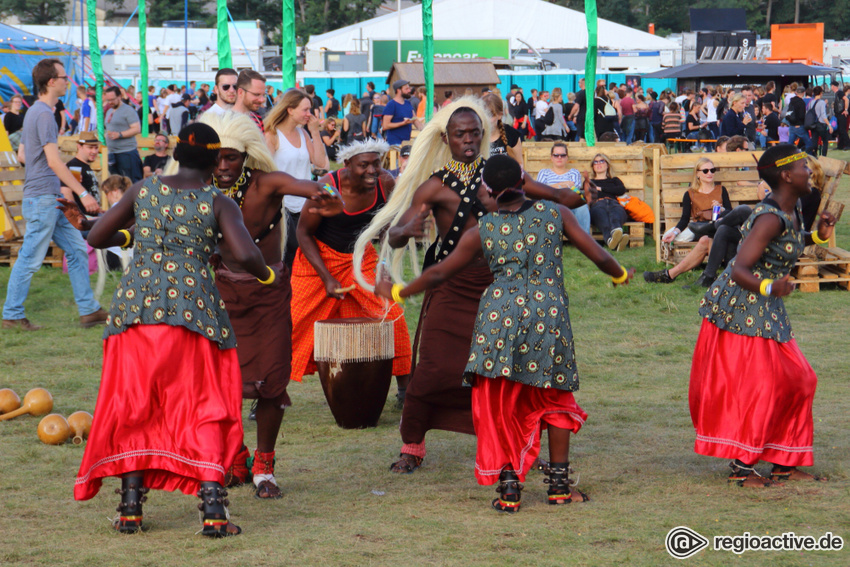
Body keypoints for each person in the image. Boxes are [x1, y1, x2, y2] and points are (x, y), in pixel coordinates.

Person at [373, 154, 633, 511]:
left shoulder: (483, 229)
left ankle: (509, 490)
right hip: (548, 315)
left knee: (502, 402)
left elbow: (438, 274)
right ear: (522, 184)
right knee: (555, 396)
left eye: (482, 186)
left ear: (492, 191)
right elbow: (599, 256)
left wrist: (398, 291)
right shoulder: (556, 215)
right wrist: (620, 275)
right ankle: (558, 487)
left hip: (498, 318)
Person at [351, 97, 587, 473]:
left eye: (475, 133)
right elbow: (395, 233)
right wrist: (403, 232)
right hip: (451, 287)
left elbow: (559, 198)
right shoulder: (434, 186)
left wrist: (574, 196)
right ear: (446, 138)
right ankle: (412, 445)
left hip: (501, 288)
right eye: (460, 134)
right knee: (432, 369)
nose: (468, 140)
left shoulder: (501, 175)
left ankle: (520, 444)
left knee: (510, 371)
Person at [72, 123, 273, 537]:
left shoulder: (143, 189)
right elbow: (246, 254)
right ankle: (213, 511)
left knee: (134, 404)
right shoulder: (217, 201)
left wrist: (135, 235)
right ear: (217, 162)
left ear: (177, 153)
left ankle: (130, 509)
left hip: (134, 312)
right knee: (204, 404)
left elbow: (96, 235)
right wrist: (268, 274)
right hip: (192, 314)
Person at [198, 111, 341, 499]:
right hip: (221, 296)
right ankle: (235, 457)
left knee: (272, 383)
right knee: (221, 386)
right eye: (217, 157)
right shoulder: (201, 187)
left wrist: (322, 192)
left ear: (247, 155)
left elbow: (300, 184)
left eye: (232, 157)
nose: (223, 166)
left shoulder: (266, 184)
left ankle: (264, 465)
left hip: (269, 295)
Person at [690, 144, 833, 488]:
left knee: (800, 380)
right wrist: (772, 288)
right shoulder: (768, 216)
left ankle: (785, 459)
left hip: (765, 305)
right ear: (786, 176)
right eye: (803, 166)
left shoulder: (792, 207)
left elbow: (790, 242)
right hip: (742, 305)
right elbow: (739, 268)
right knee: (761, 387)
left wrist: (818, 235)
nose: (810, 171)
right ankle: (744, 465)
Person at [291, 139, 411, 402]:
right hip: (319, 259)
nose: (371, 170)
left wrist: (384, 265)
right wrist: (327, 277)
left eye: (376, 164)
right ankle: (269, 392)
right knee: (293, 326)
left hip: (361, 256)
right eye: (363, 165)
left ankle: (405, 393)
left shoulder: (385, 183)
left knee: (392, 315)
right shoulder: (328, 186)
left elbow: (386, 228)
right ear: (347, 164)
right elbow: (303, 232)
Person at [3, 59, 106, 331]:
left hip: (47, 198)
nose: (66, 81)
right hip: (43, 199)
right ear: (51, 82)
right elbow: (53, 160)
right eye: (63, 77)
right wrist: (82, 192)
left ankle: (89, 310)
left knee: (76, 251)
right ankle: (12, 314)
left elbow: (24, 154)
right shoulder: (45, 114)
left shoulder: (34, 112)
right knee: (30, 258)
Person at [643, 158, 735, 286]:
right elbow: (684, 219)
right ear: (697, 174)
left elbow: (731, 213)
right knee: (703, 238)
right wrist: (674, 232)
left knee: (706, 239)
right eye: (705, 170)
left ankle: (671, 275)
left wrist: (722, 209)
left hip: (719, 226)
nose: (710, 173)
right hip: (701, 227)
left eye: (712, 170)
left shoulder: (721, 189)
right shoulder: (690, 194)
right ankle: (711, 276)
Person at [264, 90, 329, 267]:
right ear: (290, 110)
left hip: (305, 204)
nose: (310, 114)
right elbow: (264, 174)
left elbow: (321, 163)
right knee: (290, 254)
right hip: (282, 206)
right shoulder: (272, 136)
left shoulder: (303, 134)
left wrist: (315, 132)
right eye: (306, 110)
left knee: (302, 255)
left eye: (311, 110)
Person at [536, 142, 591, 233]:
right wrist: (565, 184)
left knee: (582, 206)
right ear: (551, 157)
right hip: (550, 204)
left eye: (562, 155)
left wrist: (551, 188)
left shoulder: (573, 172)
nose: (559, 157)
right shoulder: (544, 173)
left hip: (570, 204)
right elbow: (540, 191)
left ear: (567, 158)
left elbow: (574, 190)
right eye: (556, 155)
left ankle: (585, 239)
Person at [587, 153, 629, 250]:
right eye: (595, 162)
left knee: (615, 214)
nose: (598, 164)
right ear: (593, 167)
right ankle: (617, 239)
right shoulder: (589, 182)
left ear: (607, 165)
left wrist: (600, 189)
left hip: (614, 204)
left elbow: (621, 190)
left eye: (602, 161)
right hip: (597, 205)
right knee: (602, 216)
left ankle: (611, 240)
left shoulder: (614, 180)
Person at [103, 86, 143, 182]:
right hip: (112, 153)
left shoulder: (128, 110)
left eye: (112, 99)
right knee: (118, 185)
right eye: (108, 100)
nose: (110, 102)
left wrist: (120, 134)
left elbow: (137, 129)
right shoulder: (109, 111)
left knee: (131, 183)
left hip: (126, 153)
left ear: (119, 97)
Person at [60, 131, 101, 216]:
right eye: (90, 148)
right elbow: (67, 191)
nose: (94, 151)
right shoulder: (75, 167)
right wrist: (76, 215)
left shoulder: (85, 166)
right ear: (79, 147)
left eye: (96, 148)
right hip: (84, 218)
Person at [482, 93, 523, 167]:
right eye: (483, 115)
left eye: (490, 115)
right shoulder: (475, 135)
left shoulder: (511, 134)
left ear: (499, 115)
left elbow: (520, 164)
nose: (486, 119)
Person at [382, 79, 423, 146]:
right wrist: (403, 123)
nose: (409, 90)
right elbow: (385, 125)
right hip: (395, 143)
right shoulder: (391, 104)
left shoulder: (408, 103)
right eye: (406, 89)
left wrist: (425, 130)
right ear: (399, 90)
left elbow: (414, 119)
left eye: (409, 88)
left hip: (406, 142)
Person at [806, 86, 831, 157]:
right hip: (821, 124)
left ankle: (814, 156)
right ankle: (823, 157)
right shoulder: (822, 102)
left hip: (813, 124)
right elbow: (823, 115)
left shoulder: (811, 102)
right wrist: (829, 125)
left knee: (814, 142)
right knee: (825, 141)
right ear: (820, 93)